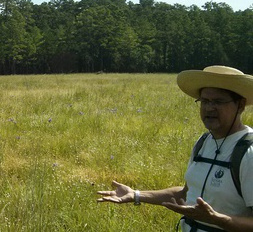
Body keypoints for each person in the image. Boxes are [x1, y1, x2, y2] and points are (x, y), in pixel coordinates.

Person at [97, 65, 253, 231]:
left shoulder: (248, 153)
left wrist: (216, 219)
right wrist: (136, 195)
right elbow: (186, 193)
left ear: (240, 105)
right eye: (205, 101)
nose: (209, 108)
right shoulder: (204, 142)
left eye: (218, 101)